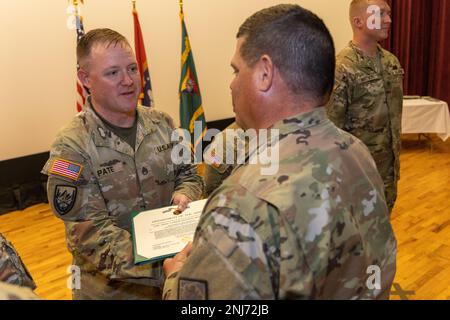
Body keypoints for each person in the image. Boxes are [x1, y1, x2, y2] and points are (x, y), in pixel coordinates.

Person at [162, 4, 397, 300]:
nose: (232, 83)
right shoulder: (357, 152)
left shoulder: (241, 202)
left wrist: (175, 278)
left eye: (236, 70)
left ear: (264, 74)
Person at [42, 29, 204, 300]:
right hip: (112, 291)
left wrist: (186, 192)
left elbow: (189, 175)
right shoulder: (71, 147)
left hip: (172, 282)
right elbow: (90, 233)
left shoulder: (162, 123)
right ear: (85, 79)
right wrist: (166, 268)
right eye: (113, 73)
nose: (128, 81)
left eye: (131, 68)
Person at [326, 0, 404, 213]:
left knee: (382, 233)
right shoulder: (342, 68)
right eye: (380, 14)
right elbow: (331, 131)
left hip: (388, 172)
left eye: (388, 13)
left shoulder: (391, 62)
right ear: (358, 21)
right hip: (356, 177)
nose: (388, 19)